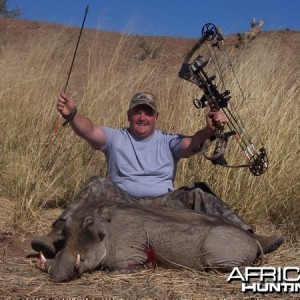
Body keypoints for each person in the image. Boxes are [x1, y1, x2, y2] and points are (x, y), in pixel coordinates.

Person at [31, 92, 284, 258]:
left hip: (164, 203)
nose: (143, 117)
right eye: (137, 111)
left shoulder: (167, 141)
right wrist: (73, 115)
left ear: (156, 117)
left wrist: (209, 129)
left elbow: (190, 144)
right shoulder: (116, 137)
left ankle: (250, 237)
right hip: (122, 203)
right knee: (96, 184)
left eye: (148, 112)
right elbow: (89, 130)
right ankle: (57, 235)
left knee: (198, 191)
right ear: (129, 115)